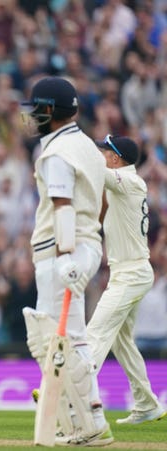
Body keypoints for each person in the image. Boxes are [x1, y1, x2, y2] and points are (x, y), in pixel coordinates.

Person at [20, 76, 113, 446]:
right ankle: (84, 419)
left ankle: (87, 425)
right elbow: (102, 201)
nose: (30, 117)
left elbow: (63, 207)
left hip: (62, 251)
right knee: (70, 340)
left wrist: (65, 256)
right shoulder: (88, 147)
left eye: (34, 109)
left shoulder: (57, 153)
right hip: (84, 246)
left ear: (48, 111)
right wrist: (87, 247)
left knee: (51, 341)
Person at [87, 135, 166, 425]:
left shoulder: (130, 182)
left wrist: (70, 143)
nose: (102, 154)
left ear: (116, 158)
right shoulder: (124, 184)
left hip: (132, 274)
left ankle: (70, 394)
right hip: (128, 273)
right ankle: (146, 403)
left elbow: (95, 170)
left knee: (95, 331)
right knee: (121, 342)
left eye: (105, 151)